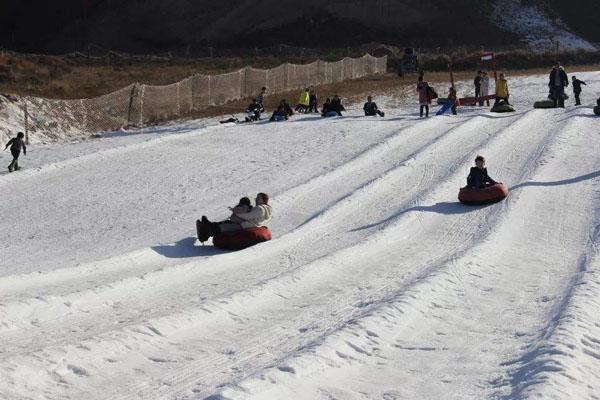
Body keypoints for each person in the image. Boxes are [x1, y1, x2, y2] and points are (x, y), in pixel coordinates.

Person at [196, 192, 273, 243]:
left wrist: (237, 213)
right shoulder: (265, 209)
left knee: (225, 227)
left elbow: (248, 216)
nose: (256, 199)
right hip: (246, 225)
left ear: (263, 200)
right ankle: (207, 225)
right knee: (226, 223)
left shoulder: (260, 208)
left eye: (258, 198)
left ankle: (204, 234)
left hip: (245, 226)